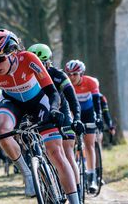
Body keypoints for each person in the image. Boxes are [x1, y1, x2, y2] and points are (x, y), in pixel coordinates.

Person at [0, 28, 79, 203]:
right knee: (2, 129)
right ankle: (27, 174)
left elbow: (52, 93)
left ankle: (75, 201)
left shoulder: (28, 59)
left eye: (0, 58)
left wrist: (55, 110)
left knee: (56, 153)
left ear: (12, 52)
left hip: (40, 101)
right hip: (12, 104)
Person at [28, 43, 85, 201]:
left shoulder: (58, 75)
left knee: (66, 152)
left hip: (62, 113)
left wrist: (78, 119)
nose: (36, 69)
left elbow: (73, 101)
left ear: (48, 62)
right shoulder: (27, 77)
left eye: (41, 64)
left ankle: (76, 194)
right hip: (41, 115)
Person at [65, 60, 103, 194]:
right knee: (70, 143)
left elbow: (97, 101)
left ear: (82, 74)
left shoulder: (91, 82)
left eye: (75, 74)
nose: (71, 77)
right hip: (74, 113)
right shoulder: (67, 83)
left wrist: (98, 117)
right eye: (69, 74)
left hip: (88, 114)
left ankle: (91, 177)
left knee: (89, 144)